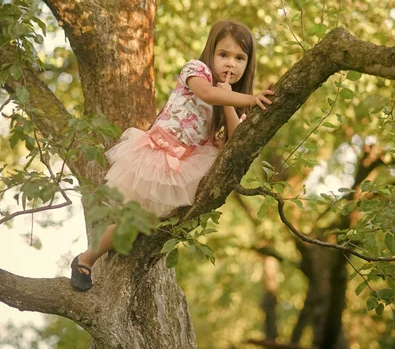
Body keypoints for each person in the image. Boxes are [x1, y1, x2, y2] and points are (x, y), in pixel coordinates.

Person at [70, 20, 274, 290]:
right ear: (211, 52)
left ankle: (123, 241)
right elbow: (206, 93)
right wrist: (243, 98)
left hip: (185, 162)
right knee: (132, 221)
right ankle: (86, 258)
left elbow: (238, 141)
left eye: (239, 58)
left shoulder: (230, 98)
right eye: (223, 55)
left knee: (149, 222)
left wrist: (231, 102)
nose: (230, 64)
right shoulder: (196, 70)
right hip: (157, 154)